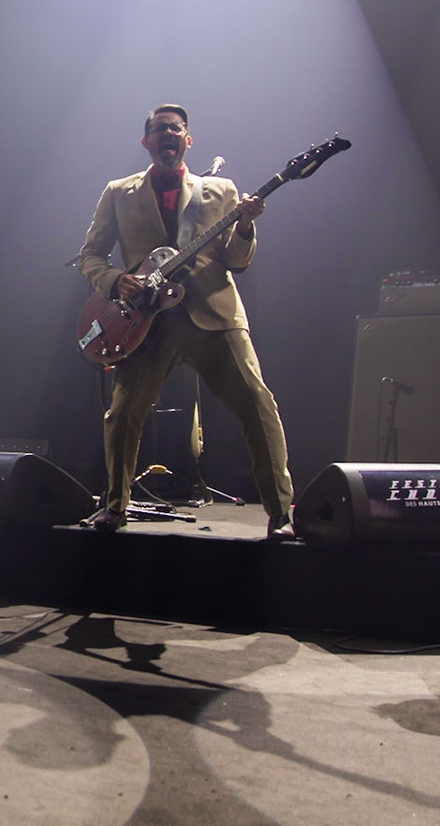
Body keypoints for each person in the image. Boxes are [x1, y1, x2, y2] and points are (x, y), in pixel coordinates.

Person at [76, 105, 294, 535]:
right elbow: (90, 256)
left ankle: (282, 513)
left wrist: (246, 227)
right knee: (121, 416)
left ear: (188, 140)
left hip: (213, 315)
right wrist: (116, 280)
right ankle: (115, 507)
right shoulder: (119, 192)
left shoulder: (220, 190)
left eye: (176, 128)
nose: (168, 134)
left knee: (257, 403)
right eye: (160, 129)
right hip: (147, 322)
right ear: (147, 142)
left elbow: (236, 259)